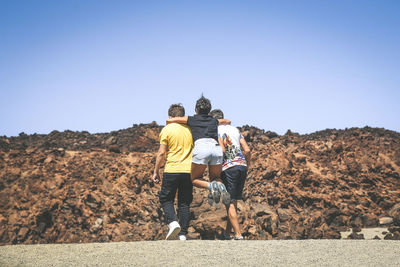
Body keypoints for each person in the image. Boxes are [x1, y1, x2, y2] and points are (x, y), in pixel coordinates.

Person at [166, 95, 231, 205]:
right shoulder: (214, 120)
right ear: (209, 110)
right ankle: (220, 186)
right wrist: (218, 121)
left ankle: (211, 186)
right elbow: (228, 121)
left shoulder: (191, 119)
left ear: (196, 109)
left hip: (201, 147)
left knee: (195, 179)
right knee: (216, 177)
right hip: (216, 148)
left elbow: (170, 120)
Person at [152, 104, 193, 240]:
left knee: (166, 198)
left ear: (170, 116)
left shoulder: (167, 129)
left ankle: (173, 222)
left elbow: (162, 152)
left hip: (172, 169)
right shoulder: (190, 129)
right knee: (184, 202)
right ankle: (183, 234)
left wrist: (156, 171)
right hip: (189, 170)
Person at [210, 109, 251, 240]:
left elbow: (221, 151)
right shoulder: (235, 130)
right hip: (242, 166)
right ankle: (228, 233)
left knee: (230, 203)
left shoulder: (216, 132)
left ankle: (238, 235)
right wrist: (247, 165)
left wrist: (215, 170)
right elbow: (247, 150)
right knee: (233, 201)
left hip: (228, 168)